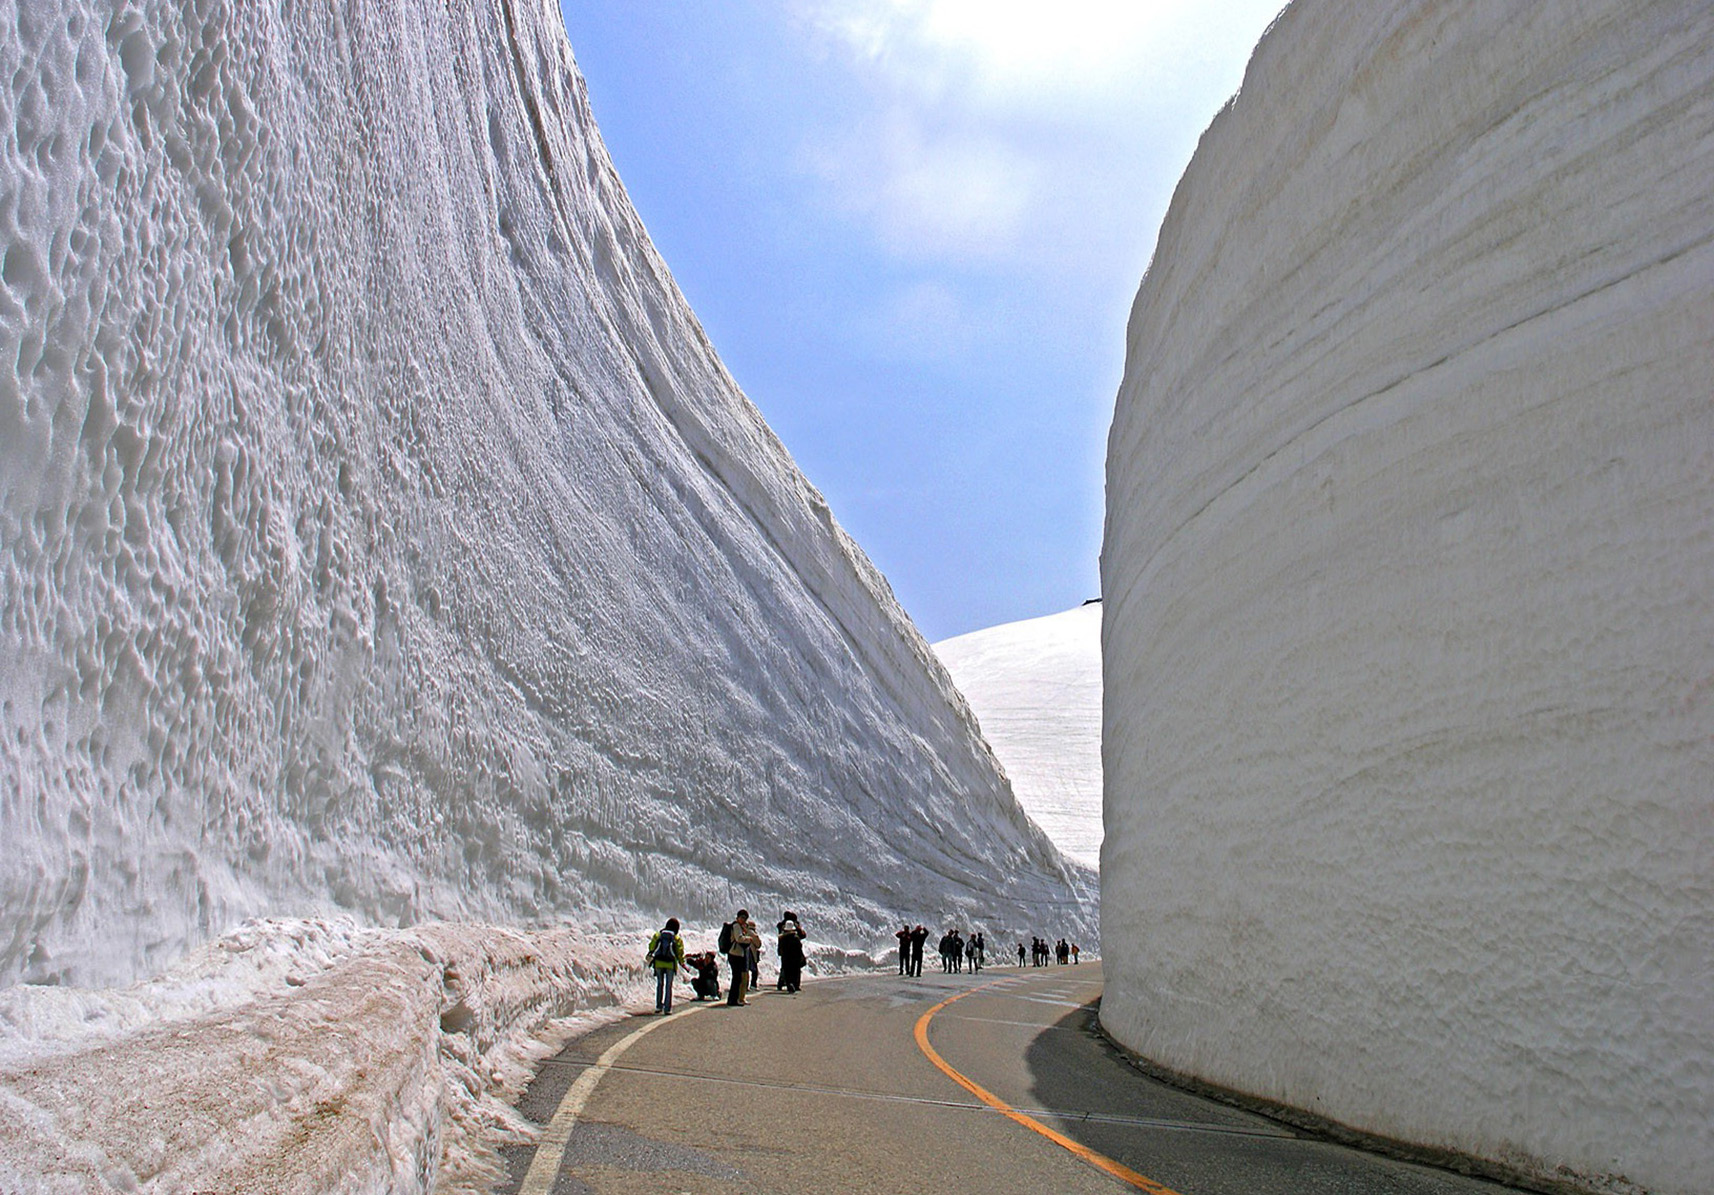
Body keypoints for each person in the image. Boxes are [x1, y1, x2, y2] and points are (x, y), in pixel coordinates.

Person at [646, 917, 685, 1014]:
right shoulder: (676, 938)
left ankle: (659, 1006)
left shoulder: (658, 935)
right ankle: (667, 1009)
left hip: (659, 962)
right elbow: (679, 952)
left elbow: (651, 946)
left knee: (659, 984)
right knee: (668, 986)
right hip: (670, 964)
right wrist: (682, 961)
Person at [725, 909, 762, 1006]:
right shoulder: (736, 926)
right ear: (738, 917)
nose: (743, 920)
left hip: (738, 954)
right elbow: (739, 938)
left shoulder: (741, 926)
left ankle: (735, 999)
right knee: (737, 978)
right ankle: (733, 1000)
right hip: (735, 954)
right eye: (742, 917)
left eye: (745, 918)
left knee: (738, 978)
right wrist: (748, 939)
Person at [776, 912, 807, 993]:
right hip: (795, 955)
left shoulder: (782, 932)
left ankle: (784, 983)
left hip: (785, 954)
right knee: (795, 969)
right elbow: (802, 936)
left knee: (785, 968)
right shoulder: (795, 936)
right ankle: (795, 984)